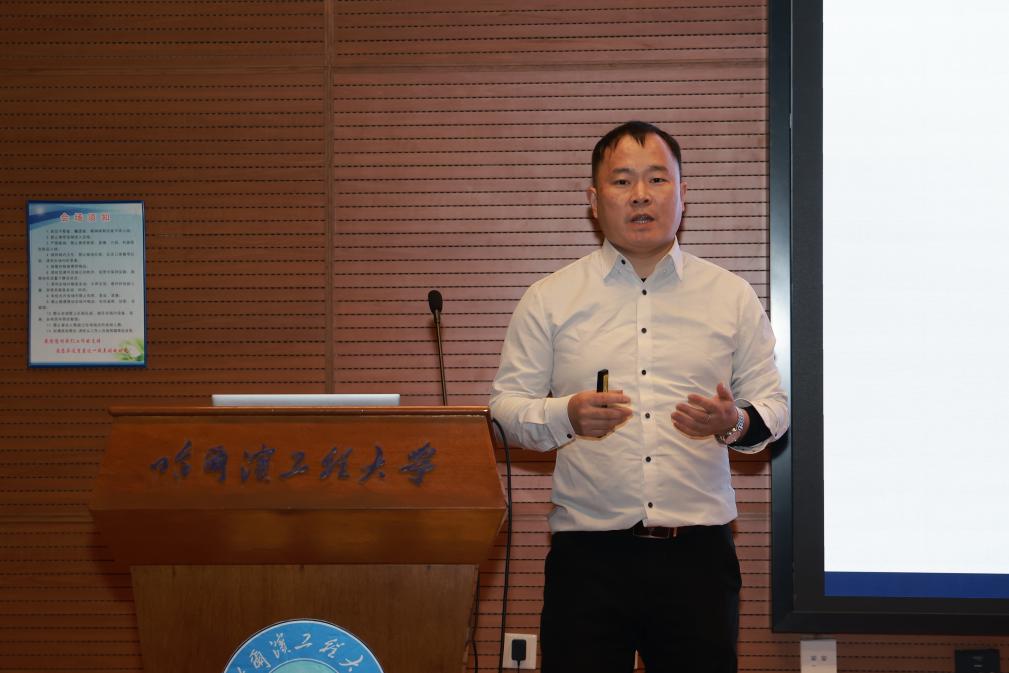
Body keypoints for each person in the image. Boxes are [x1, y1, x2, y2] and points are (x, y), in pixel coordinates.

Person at [489, 121, 789, 673]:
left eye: (657, 179)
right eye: (622, 181)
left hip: (698, 558)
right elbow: (504, 412)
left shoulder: (731, 296)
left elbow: (774, 406)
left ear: (682, 193)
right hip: (588, 558)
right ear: (594, 199)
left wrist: (732, 423)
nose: (641, 195)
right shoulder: (550, 298)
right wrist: (566, 415)